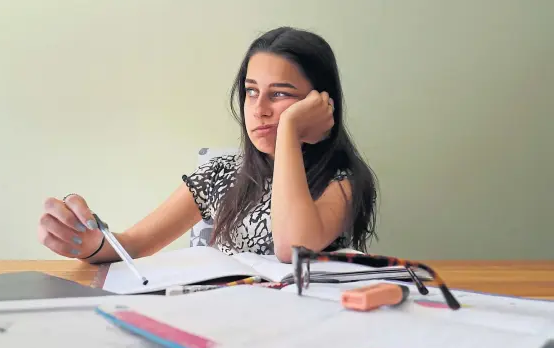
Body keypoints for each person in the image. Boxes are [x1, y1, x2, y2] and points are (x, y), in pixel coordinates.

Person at [37, 26, 378, 264]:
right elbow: (134, 244)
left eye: (279, 94)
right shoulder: (221, 173)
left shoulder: (342, 179)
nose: (258, 109)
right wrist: (82, 238)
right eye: (250, 91)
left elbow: (294, 248)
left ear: (320, 103)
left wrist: (289, 129)